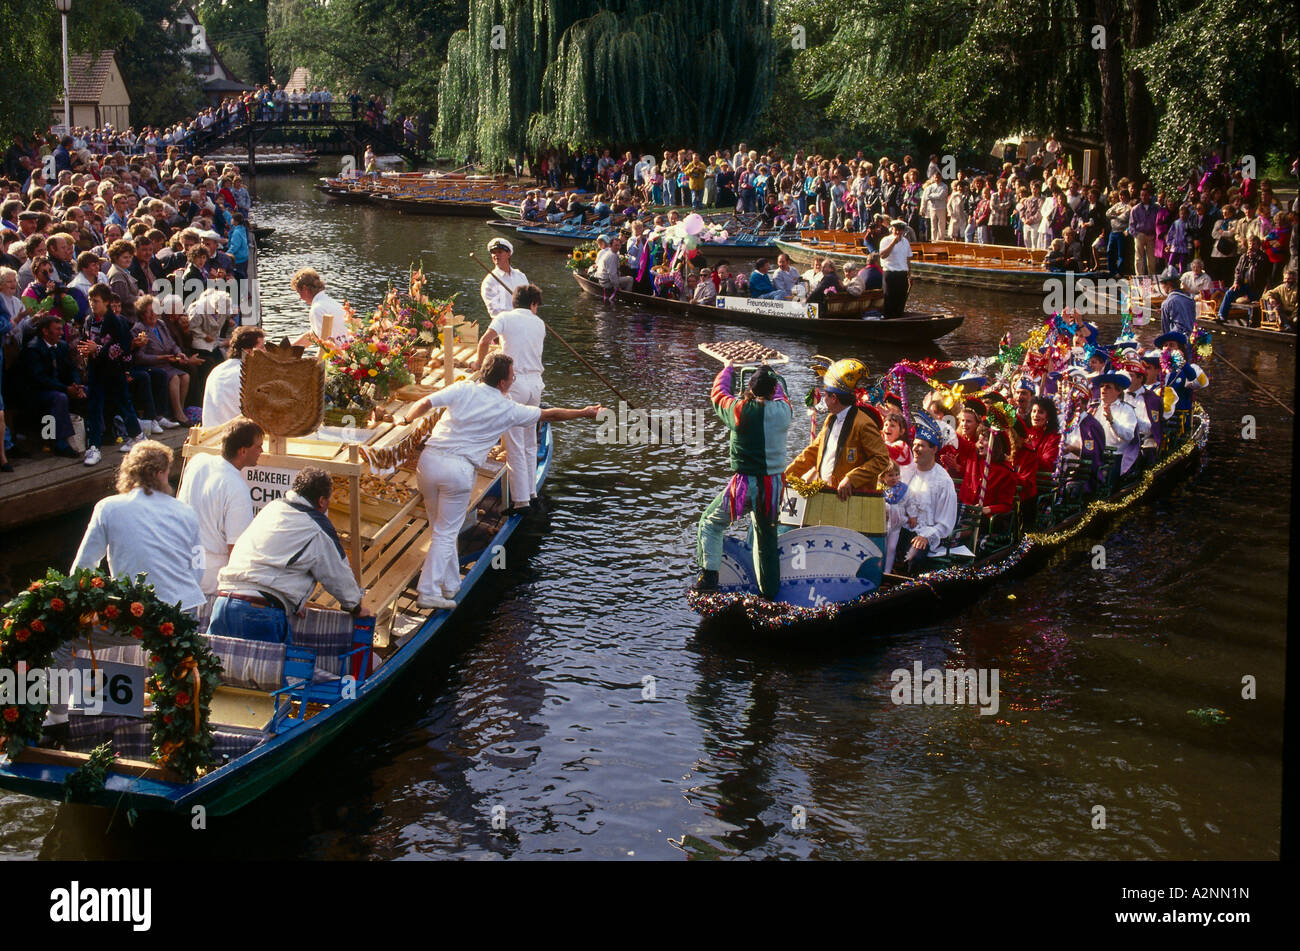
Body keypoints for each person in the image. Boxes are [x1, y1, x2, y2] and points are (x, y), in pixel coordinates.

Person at [400, 352, 599, 609]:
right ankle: (427, 592)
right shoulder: (507, 408)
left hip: (428, 462)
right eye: (512, 377)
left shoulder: (462, 388)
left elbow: (426, 403)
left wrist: (406, 420)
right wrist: (584, 412)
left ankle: (450, 585)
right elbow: (550, 415)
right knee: (446, 532)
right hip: (457, 470)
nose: (514, 381)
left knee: (440, 528)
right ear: (503, 383)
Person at [212, 467, 371, 643]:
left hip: (222, 603)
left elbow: (271, 560)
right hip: (259, 611)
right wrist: (355, 607)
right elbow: (337, 574)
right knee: (270, 670)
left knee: (217, 668)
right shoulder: (316, 525)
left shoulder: (273, 508)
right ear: (321, 501)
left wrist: (291, 602)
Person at [693, 363, 793, 598]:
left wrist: (728, 369)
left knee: (710, 522)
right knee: (767, 536)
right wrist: (773, 373)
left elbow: (718, 394)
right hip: (774, 486)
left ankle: (709, 577)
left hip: (746, 485)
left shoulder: (739, 410)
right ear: (772, 390)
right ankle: (769, 592)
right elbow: (782, 392)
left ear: (749, 387)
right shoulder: (784, 411)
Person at [71, 439, 205, 614]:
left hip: (134, 607)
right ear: (160, 473)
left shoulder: (108, 508)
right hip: (184, 604)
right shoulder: (187, 512)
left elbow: (85, 564)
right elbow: (198, 564)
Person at [472, 283, 547, 513]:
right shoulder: (540, 323)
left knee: (514, 444)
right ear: (533, 304)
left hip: (514, 384)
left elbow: (486, 340)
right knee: (529, 443)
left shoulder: (505, 317)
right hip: (536, 384)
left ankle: (521, 501)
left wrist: (478, 363)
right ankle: (532, 493)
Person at [177, 417, 262, 595]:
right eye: (258, 447)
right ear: (243, 451)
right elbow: (237, 550)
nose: (262, 451)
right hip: (210, 577)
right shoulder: (237, 489)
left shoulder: (198, 461)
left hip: (181, 563)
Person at [785, 359, 890, 500]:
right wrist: (787, 475)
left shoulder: (863, 424)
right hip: (825, 495)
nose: (823, 398)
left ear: (834, 398)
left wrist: (852, 479)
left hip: (853, 499)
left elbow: (882, 458)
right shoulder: (830, 419)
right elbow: (813, 452)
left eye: (825, 394)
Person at [80, 284, 145, 466]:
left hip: (113, 371)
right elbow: (85, 341)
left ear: (107, 302)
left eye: (97, 301)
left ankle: (138, 436)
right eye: (91, 300)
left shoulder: (116, 321)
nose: (93, 304)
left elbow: (122, 346)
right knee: (94, 408)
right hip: (95, 370)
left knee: (124, 404)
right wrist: (84, 352)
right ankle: (94, 446)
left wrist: (99, 349)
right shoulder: (88, 320)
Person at [896, 413, 958, 574]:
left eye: (921, 445)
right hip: (903, 527)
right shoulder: (908, 472)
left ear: (934, 449)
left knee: (912, 559)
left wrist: (926, 536)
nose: (915, 449)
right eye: (914, 444)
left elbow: (945, 523)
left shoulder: (943, 482)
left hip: (926, 534)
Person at [16, 314, 85, 458]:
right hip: (36, 392)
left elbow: (71, 368)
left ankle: (93, 434)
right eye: (57, 329)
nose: (61, 332)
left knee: (86, 391)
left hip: (58, 387)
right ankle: (59, 443)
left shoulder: (61, 346)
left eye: (61, 329)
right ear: (45, 331)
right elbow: (39, 379)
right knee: (59, 398)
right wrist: (65, 389)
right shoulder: (33, 349)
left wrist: (76, 385)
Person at [202, 325, 265, 427]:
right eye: (262, 347)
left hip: (210, 433)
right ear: (249, 352)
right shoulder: (249, 375)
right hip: (236, 436)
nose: (265, 351)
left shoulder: (217, 370)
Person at [290, 267, 347, 346]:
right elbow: (312, 336)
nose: (300, 298)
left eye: (299, 293)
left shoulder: (317, 309)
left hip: (341, 354)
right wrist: (285, 350)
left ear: (305, 288)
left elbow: (326, 345)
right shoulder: (330, 302)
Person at [479, 237, 529, 317]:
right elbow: (495, 313)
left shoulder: (521, 276)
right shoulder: (489, 281)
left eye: (500, 252)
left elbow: (529, 301)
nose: (496, 255)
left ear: (509, 254)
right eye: (493, 252)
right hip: (505, 325)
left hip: (524, 321)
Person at [879, 219, 911, 316]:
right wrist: (893, 243)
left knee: (901, 299)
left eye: (900, 230)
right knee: (889, 300)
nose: (898, 232)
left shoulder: (906, 242)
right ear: (892, 229)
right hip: (890, 274)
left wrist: (910, 274)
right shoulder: (886, 240)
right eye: (896, 229)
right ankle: (888, 319)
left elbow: (908, 259)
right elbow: (882, 255)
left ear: (903, 230)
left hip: (902, 274)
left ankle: (899, 318)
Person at [1158, 267, 1196, 336]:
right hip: (1190, 341)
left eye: (1162, 284)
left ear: (1168, 284)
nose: (1162, 287)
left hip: (1175, 342)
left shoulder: (1166, 303)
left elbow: (1165, 330)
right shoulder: (1190, 300)